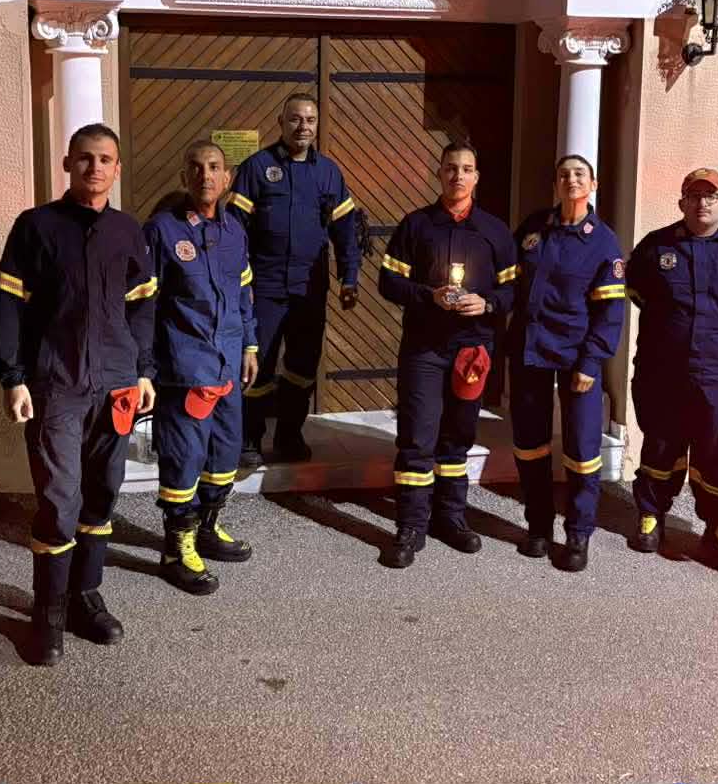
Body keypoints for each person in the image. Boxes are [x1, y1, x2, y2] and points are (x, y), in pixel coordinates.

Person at [0, 123, 157, 666]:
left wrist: (143, 370)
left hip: (117, 384)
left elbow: (143, 305)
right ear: (67, 164)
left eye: (105, 159)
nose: (95, 167)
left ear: (117, 169)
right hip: (56, 384)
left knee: (102, 492)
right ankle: (48, 613)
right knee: (60, 501)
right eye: (85, 158)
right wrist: (12, 376)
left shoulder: (127, 231)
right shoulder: (36, 226)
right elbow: (7, 304)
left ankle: (85, 596)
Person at [377, 141, 518, 569]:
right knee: (417, 438)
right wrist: (428, 295)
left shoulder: (495, 231)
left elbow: (514, 289)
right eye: (451, 168)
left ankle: (450, 518)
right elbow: (388, 282)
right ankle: (410, 525)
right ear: (439, 173)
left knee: (458, 436)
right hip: (425, 348)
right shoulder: (416, 225)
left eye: (467, 169)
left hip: (471, 350)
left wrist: (488, 303)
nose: (458, 175)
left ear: (477, 177)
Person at [624, 168, 718, 567]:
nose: (702, 203)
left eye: (711, 196)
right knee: (660, 448)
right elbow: (638, 294)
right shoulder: (655, 248)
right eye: (694, 196)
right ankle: (650, 516)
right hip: (664, 374)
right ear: (682, 203)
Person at [143, 140, 259, 595]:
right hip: (184, 367)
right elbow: (144, 304)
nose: (205, 175)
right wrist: (144, 367)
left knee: (224, 454)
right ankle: (176, 549)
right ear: (184, 177)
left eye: (213, 167)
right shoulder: (162, 230)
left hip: (228, 363)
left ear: (227, 178)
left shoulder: (235, 232)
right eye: (195, 167)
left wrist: (250, 345)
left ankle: (207, 528)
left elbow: (244, 295)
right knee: (184, 457)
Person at [226, 94, 361, 464]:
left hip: (308, 290)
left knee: (302, 367)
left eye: (310, 120)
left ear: (317, 125)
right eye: (296, 119)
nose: (303, 127)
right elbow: (234, 231)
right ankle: (249, 440)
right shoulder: (257, 167)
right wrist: (237, 285)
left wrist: (349, 277)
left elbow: (346, 230)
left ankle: (289, 436)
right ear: (281, 122)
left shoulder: (328, 173)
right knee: (258, 366)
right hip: (264, 289)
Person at [508, 155, 626, 572]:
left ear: (592, 185)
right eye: (563, 175)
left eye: (579, 174)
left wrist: (591, 363)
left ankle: (578, 534)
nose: (570, 180)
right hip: (530, 351)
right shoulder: (534, 228)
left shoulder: (603, 242)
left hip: (578, 357)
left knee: (582, 450)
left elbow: (611, 313)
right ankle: (538, 527)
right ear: (556, 185)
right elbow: (509, 280)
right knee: (530, 445)